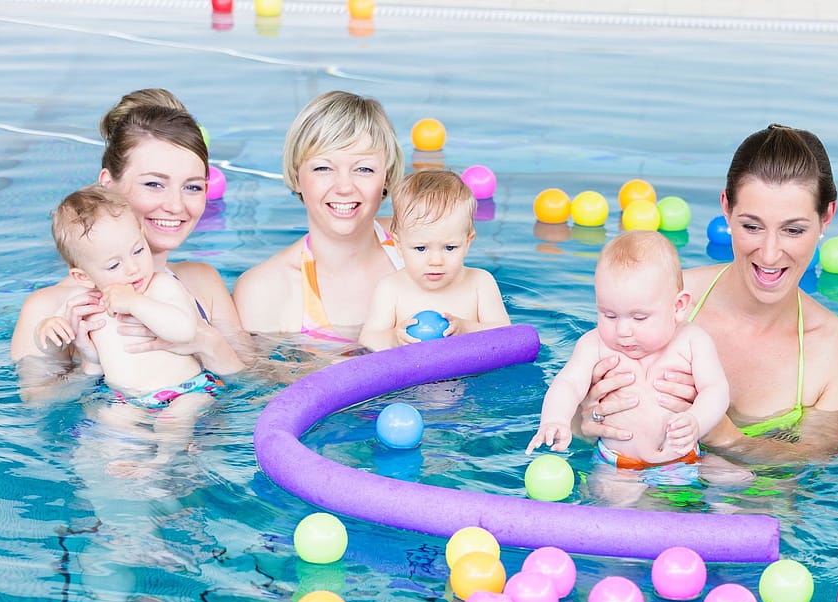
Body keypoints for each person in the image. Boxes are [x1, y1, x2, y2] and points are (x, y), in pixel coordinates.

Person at [581, 124, 838, 463]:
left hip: (750, 501)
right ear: (726, 207)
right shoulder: (662, 302)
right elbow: (579, 413)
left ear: (827, 217)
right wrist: (585, 420)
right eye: (751, 226)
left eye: (793, 230)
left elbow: (808, 466)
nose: (769, 255)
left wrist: (718, 432)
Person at [11, 88, 246, 400]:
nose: (176, 206)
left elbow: (254, 388)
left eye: (192, 187)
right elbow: (37, 412)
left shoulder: (204, 283)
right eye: (153, 184)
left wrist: (209, 343)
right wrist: (88, 368)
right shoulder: (49, 308)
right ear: (108, 184)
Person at [527, 230, 729, 469]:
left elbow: (716, 389)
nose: (622, 330)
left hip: (686, 459)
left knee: (734, 477)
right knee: (615, 499)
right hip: (620, 465)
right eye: (609, 315)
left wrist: (697, 420)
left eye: (639, 317)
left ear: (678, 307)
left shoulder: (693, 341)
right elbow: (567, 384)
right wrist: (555, 420)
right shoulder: (594, 344)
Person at [232, 90, 406, 340]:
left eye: (364, 169)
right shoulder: (264, 291)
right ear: (296, 177)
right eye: (323, 168)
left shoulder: (419, 246)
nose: (344, 187)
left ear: (386, 178)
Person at [44, 186, 221, 412]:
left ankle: (171, 447)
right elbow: (52, 340)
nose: (133, 268)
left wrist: (135, 303)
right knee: (112, 424)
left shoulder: (160, 286)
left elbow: (185, 331)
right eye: (114, 265)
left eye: (138, 250)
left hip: (186, 390)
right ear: (84, 276)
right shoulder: (86, 304)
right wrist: (48, 328)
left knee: (173, 423)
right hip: (125, 399)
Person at [358, 169, 511, 350]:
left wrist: (467, 329)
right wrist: (394, 338)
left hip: (472, 376)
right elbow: (368, 339)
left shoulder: (480, 283)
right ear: (398, 245)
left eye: (449, 247)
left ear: (467, 242)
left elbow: (506, 336)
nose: (436, 261)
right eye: (421, 248)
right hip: (414, 376)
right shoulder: (391, 289)